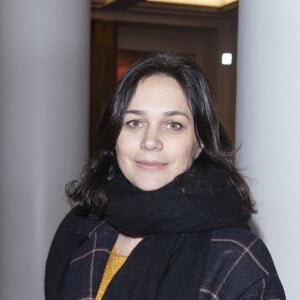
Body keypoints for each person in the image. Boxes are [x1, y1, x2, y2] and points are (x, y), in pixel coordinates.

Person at [45, 53, 285, 299]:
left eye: (173, 125)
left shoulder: (236, 258)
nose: (150, 141)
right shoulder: (80, 230)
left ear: (199, 142)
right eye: (134, 122)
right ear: (114, 135)